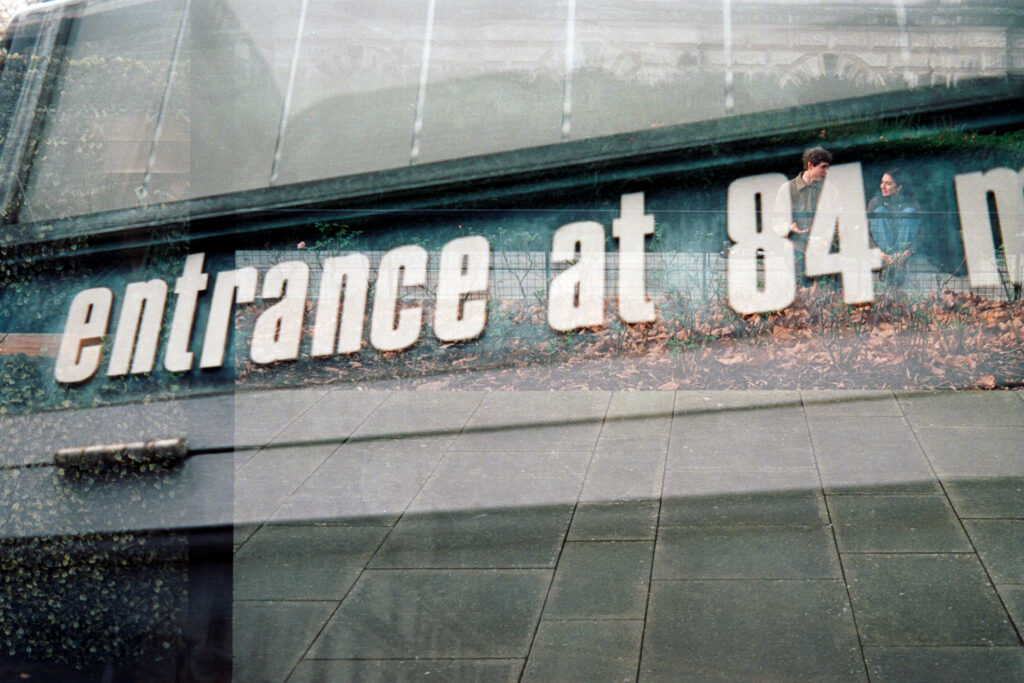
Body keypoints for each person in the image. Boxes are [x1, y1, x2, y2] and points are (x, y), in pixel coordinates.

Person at [773, 146, 837, 284]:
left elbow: (835, 221)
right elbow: (777, 221)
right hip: (795, 245)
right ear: (810, 165)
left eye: (828, 168)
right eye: (823, 167)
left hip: (822, 246)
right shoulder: (787, 189)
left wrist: (824, 240)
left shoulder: (830, 190)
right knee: (798, 264)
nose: (826, 172)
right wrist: (789, 227)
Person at [867, 168, 922, 287]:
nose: (883, 186)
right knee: (880, 212)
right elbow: (866, 233)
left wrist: (907, 253)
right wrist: (881, 254)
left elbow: (921, 234)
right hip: (883, 251)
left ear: (899, 187)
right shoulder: (876, 202)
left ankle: (896, 265)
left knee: (909, 213)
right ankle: (891, 266)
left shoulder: (911, 203)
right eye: (882, 182)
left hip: (903, 251)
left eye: (888, 183)